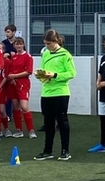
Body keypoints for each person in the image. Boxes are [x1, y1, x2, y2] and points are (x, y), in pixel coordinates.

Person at [33, 29, 76, 161]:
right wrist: (41, 75)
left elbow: (71, 73)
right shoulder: (45, 54)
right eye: (45, 44)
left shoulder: (65, 54)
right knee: (48, 122)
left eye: (49, 43)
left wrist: (55, 75)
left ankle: (65, 150)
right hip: (46, 93)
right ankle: (47, 151)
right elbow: (44, 70)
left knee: (62, 122)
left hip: (60, 92)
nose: (47, 46)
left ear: (56, 41)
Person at [5, 37, 36, 138]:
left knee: (24, 107)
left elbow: (28, 71)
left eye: (20, 44)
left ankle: (31, 130)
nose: (18, 46)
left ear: (23, 45)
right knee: (15, 106)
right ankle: (19, 130)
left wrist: (14, 76)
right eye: (17, 44)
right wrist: (12, 78)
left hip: (23, 84)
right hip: (13, 84)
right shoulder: (13, 57)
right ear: (14, 45)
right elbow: (9, 70)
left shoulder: (27, 56)